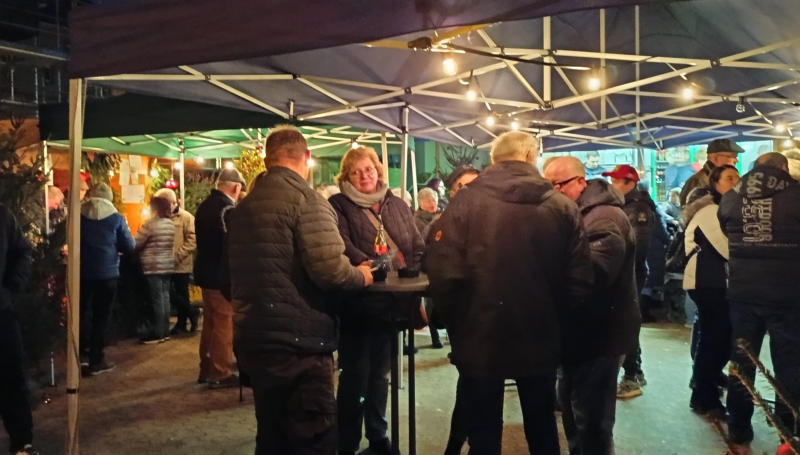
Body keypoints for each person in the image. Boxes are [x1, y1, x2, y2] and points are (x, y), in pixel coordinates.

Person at [425, 131, 592, 455]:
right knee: (543, 428)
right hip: (540, 336)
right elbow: (579, 280)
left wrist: (456, 326)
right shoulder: (562, 207)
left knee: (483, 433)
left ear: (494, 160)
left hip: (479, 336)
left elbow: (443, 271)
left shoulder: (464, 203)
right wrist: (556, 324)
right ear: (531, 157)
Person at [227, 125, 372, 455]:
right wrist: (362, 276)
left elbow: (227, 277)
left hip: (254, 340)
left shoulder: (244, 207)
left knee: (272, 435)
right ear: (306, 156)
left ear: (267, 159)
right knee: (313, 437)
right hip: (301, 347)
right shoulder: (308, 201)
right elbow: (331, 271)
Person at [329, 146, 424, 455]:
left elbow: (415, 243)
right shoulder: (338, 206)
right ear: (346, 177)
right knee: (355, 377)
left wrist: (411, 267)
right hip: (359, 303)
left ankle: (378, 434)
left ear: (378, 170)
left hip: (392, 306)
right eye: (355, 172)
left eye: (368, 169)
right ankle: (347, 442)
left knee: (381, 376)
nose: (364, 176)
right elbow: (343, 247)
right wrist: (379, 266)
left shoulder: (397, 203)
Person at [545, 156, 639, 455]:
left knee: (591, 420)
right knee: (574, 410)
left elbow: (594, 275)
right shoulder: (578, 213)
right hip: (580, 333)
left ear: (580, 181)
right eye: (548, 185)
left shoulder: (603, 218)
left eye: (557, 185)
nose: (553, 192)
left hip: (600, 334)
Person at [718, 152, 800, 453]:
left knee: (742, 362)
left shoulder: (731, 197)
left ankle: (738, 430)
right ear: (783, 168)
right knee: (789, 364)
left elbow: (725, 230)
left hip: (742, 292)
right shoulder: (795, 194)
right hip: (787, 293)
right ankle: (787, 433)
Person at [681, 164, 739, 419]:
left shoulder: (724, 209)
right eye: (729, 178)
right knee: (715, 338)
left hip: (717, 282)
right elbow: (726, 247)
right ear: (715, 183)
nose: (735, 182)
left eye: (737, 177)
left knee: (719, 337)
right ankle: (704, 395)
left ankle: (708, 382)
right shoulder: (709, 211)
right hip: (706, 283)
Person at [603, 164, 655, 398]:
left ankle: (633, 375)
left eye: (616, 181)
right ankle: (633, 372)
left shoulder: (638, 208)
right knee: (624, 322)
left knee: (627, 323)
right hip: (626, 272)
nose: (612, 185)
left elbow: (638, 247)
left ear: (630, 183)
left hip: (631, 273)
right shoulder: (622, 205)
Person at [194, 168, 246, 389]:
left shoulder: (205, 205)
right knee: (224, 323)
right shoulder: (226, 209)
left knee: (211, 323)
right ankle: (220, 371)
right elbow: (230, 243)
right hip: (219, 275)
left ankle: (206, 368)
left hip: (205, 272)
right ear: (236, 187)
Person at [80, 182, 136, 374]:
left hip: (82, 272)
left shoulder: (78, 216)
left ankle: (80, 354)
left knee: (81, 314)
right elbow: (129, 246)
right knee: (101, 316)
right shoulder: (116, 219)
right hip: (107, 273)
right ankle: (96, 359)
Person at [0, 205, 37, 455]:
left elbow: (22, 252)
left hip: (1, 312)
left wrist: (11, 289)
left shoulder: (2, 215)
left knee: (11, 377)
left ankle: (22, 443)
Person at [154, 188, 198, 335]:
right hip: (164, 263)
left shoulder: (186, 218)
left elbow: (192, 241)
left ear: (172, 202)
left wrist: (177, 257)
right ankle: (191, 313)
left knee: (180, 293)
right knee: (169, 294)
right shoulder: (158, 217)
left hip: (181, 265)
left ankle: (182, 322)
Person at [135, 195, 175, 344]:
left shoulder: (151, 224)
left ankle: (158, 333)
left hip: (153, 266)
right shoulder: (170, 224)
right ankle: (165, 330)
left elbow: (136, 243)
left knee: (157, 300)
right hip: (167, 265)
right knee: (165, 298)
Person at [413, 187, 444, 349]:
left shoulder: (443, 215)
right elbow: (420, 241)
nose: (433, 203)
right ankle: (435, 336)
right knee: (430, 301)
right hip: (427, 264)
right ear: (421, 203)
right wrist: (434, 223)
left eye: (435, 200)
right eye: (429, 200)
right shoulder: (416, 220)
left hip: (442, 263)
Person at [680, 139, 743, 206]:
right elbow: (689, 209)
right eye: (731, 156)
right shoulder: (698, 181)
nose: (736, 160)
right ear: (715, 158)